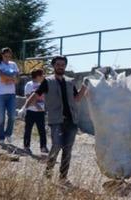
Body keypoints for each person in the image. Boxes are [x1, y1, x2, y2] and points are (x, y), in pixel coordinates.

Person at [21, 56, 88, 184]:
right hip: (56, 120)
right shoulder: (47, 81)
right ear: (53, 66)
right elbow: (36, 95)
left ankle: (63, 178)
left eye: (63, 64)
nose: (60, 66)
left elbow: (77, 99)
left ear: (65, 66)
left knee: (67, 150)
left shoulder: (70, 82)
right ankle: (48, 173)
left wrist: (84, 87)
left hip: (71, 121)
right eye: (58, 64)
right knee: (56, 146)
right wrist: (25, 108)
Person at [0, 47, 19, 145]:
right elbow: (2, 75)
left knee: (12, 116)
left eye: (9, 55)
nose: (7, 57)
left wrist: (10, 78)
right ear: (2, 55)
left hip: (11, 94)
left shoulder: (13, 64)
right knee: (1, 118)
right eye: (5, 55)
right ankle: (0, 137)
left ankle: (8, 134)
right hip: (0, 94)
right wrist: (11, 78)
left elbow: (17, 78)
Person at [22, 68, 48, 154]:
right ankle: (26, 146)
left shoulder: (43, 84)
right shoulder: (29, 85)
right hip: (31, 111)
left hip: (41, 112)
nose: (44, 76)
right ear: (38, 76)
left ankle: (43, 147)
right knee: (28, 129)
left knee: (42, 130)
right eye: (42, 74)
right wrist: (37, 106)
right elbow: (28, 97)